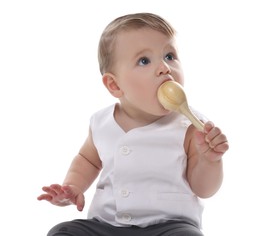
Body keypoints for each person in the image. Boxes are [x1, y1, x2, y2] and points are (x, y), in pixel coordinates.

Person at [37, 12, 229, 236]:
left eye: (169, 55)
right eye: (144, 61)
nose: (164, 68)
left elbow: (204, 189)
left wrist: (210, 160)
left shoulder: (190, 127)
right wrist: (73, 187)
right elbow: (87, 160)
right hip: (107, 225)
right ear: (114, 85)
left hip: (168, 226)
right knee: (62, 231)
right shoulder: (102, 123)